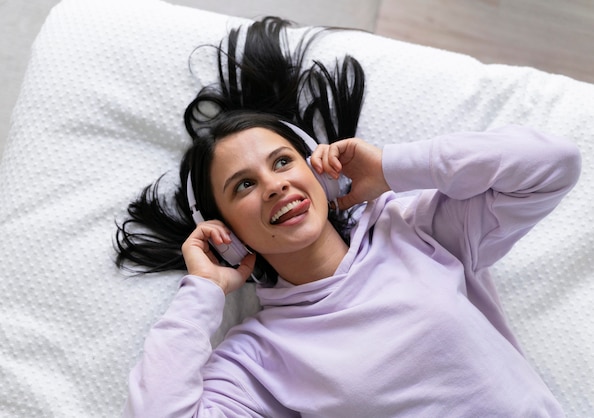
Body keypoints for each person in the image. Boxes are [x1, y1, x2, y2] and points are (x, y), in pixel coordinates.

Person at [115, 17, 581, 417]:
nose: (274, 185)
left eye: (281, 162)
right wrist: (203, 290)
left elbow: (552, 165)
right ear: (227, 234)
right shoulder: (260, 355)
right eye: (244, 185)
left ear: (318, 170)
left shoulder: (415, 230)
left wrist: (390, 169)